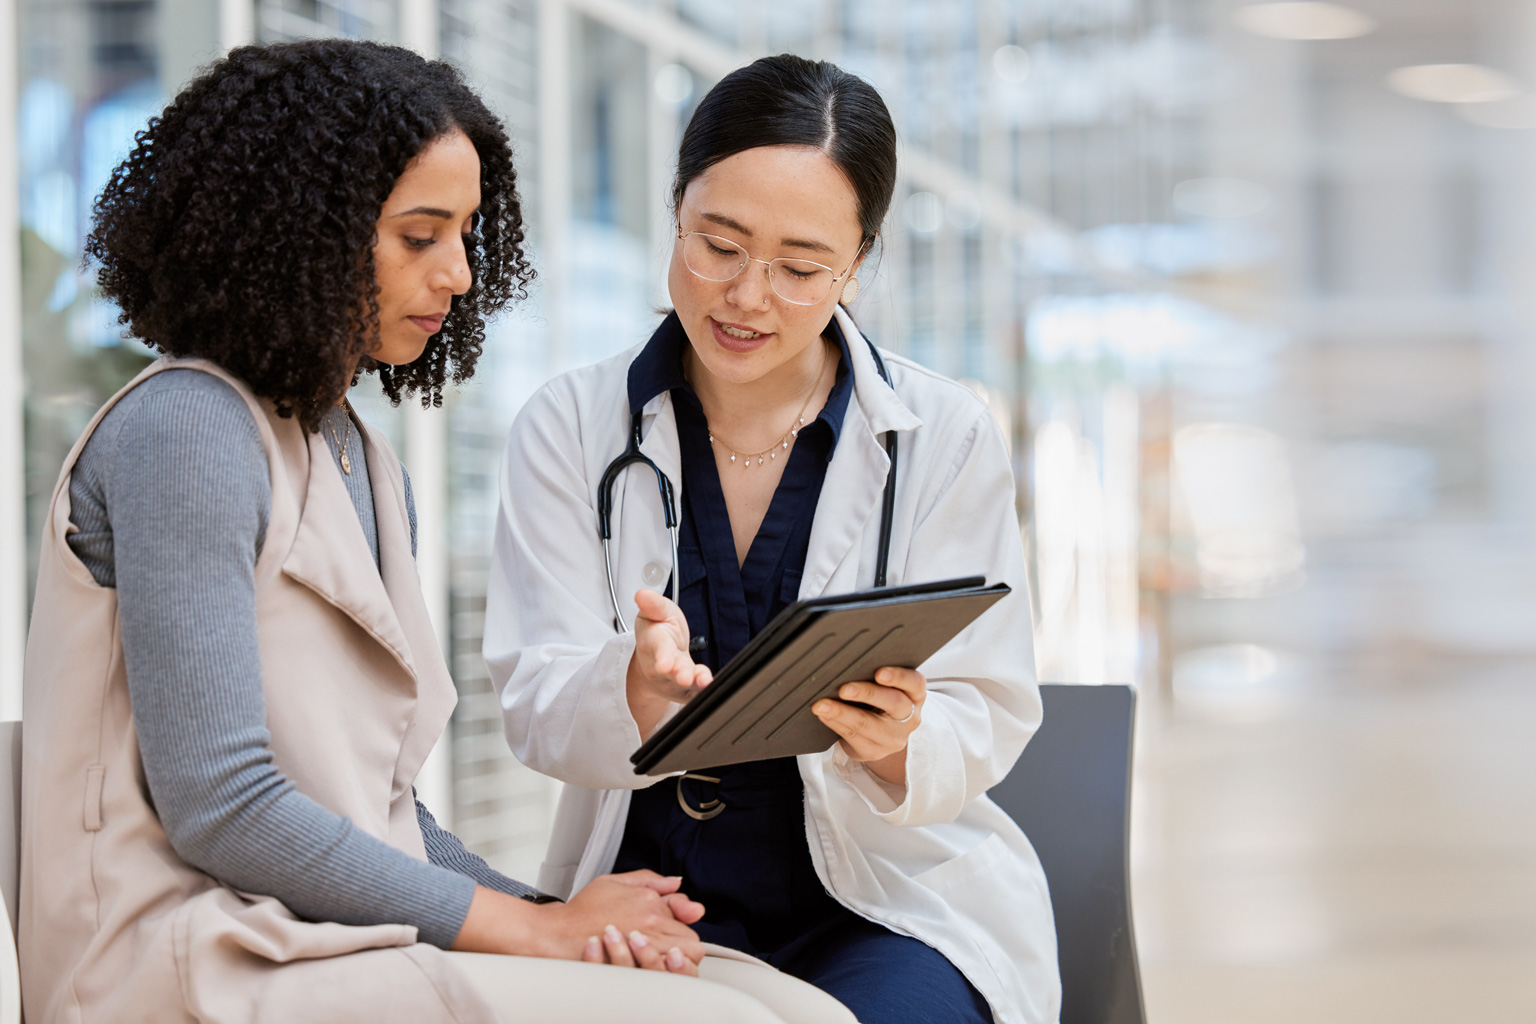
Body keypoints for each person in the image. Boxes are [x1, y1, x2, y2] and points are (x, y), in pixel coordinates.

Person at [18, 39, 851, 1024]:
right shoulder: (186, 430)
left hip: (315, 935)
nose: (458, 273)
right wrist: (533, 932)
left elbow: (386, 813)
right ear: (298, 235)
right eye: (420, 235)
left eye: (465, 233)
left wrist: (557, 913)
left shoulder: (356, 456)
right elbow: (227, 809)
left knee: (784, 1001)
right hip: (181, 950)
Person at [484, 54, 1061, 1024]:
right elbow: (533, 698)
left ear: (858, 264)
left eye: (800, 269)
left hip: (884, 904)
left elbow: (991, 702)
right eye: (718, 244)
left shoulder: (943, 431)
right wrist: (624, 692)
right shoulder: (567, 426)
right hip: (649, 892)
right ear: (675, 211)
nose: (748, 296)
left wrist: (898, 744)